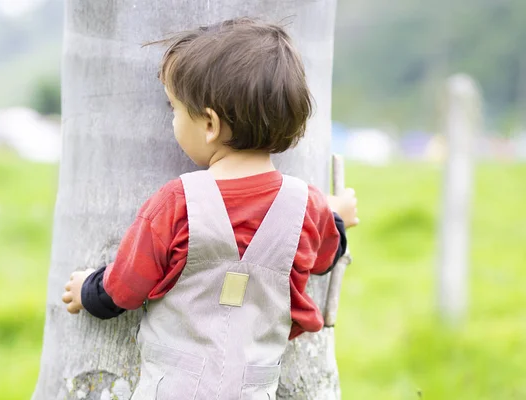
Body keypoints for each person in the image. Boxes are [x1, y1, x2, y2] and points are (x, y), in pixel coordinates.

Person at [62, 18, 358, 399]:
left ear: (209, 124)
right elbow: (326, 256)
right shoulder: (307, 206)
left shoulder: (177, 201)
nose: (172, 119)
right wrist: (337, 216)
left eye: (174, 109)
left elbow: (126, 286)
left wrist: (87, 290)